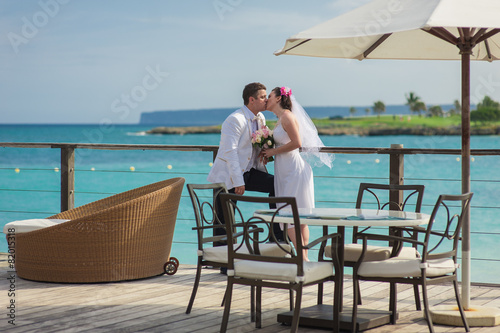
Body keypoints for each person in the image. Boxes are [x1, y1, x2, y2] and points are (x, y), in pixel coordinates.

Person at [207, 82, 283, 248]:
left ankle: (277, 237)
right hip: (228, 175)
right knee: (225, 218)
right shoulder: (235, 119)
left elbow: (257, 144)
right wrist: (238, 181)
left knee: (276, 185)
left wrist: (267, 151)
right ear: (251, 100)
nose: (266, 100)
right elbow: (230, 152)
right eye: (262, 97)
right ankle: (222, 261)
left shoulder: (261, 118)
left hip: (249, 171)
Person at [261, 86, 333, 260]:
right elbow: (284, 143)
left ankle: (302, 258)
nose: (266, 100)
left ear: (278, 98)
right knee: (297, 216)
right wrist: (268, 151)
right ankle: (305, 259)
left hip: (294, 171)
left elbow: (296, 143)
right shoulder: (280, 118)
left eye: (269, 96)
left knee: (289, 214)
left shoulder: (287, 117)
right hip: (285, 171)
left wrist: (272, 152)